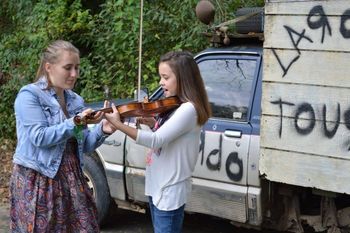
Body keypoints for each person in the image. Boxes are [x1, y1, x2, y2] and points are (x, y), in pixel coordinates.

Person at [9, 40, 116, 232]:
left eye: (76, 67)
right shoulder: (29, 96)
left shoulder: (75, 100)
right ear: (49, 67)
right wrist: (75, 122)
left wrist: (103, 130)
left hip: (73, 177)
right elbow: (39, 137)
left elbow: (84, 144)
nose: (74, 74)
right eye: (68, 68)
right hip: (40, 179)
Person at [104, 51, 211, 233]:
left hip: (169, 189)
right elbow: (168, 138)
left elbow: (155, 141)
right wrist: (154, 123)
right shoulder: (177, 106)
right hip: (159, 186)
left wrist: (117, 124)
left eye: (165, 77)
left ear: (183, 79)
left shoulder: (188, 109)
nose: (161, 82)